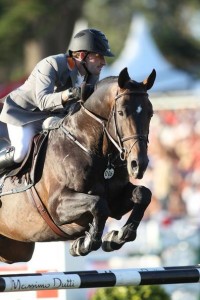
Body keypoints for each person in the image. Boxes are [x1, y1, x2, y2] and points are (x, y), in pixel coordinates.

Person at [0, 28, 114, 174]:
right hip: (23, 115)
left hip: (51, 119)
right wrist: (69, 94)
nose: (103, 62)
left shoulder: (91, 74)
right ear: (81, 55)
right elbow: (42, 101)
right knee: (20, 152)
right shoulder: (51, 64)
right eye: (99, 56)